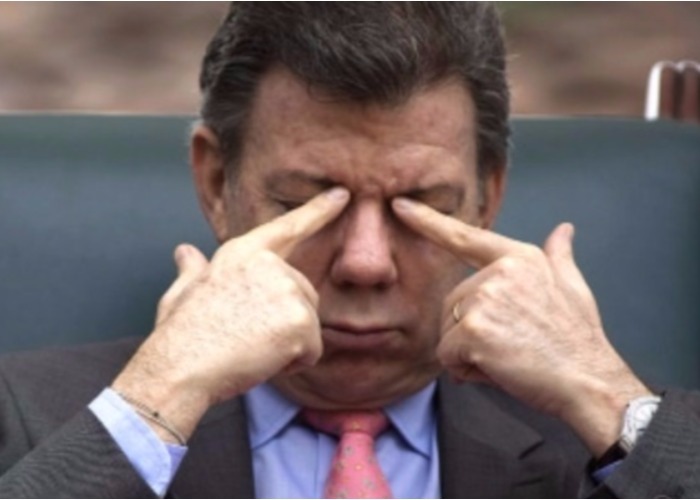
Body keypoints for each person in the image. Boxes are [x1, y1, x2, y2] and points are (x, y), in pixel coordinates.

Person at [1, 2, 699, 498]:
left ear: (487, 196)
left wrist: (608, 403)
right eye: (306, 201)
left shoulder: (613, 436)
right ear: (217, 184)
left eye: (422, 205)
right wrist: (155, 404)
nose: (366, 263)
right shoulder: (25, 415)